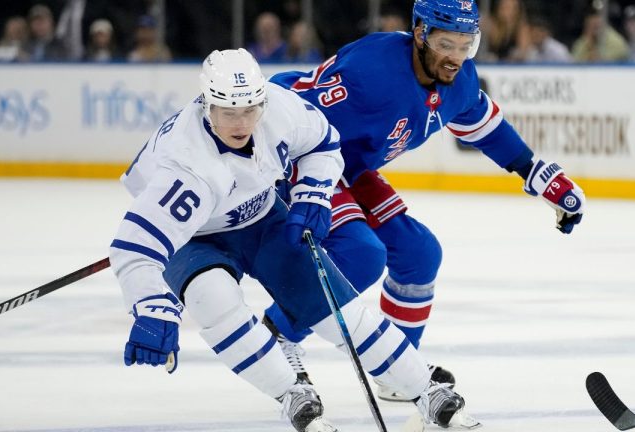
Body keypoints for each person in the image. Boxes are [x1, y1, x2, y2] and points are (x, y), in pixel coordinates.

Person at [109, 48, 471, 432]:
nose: (241, 122)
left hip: (261, 214)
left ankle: (424, 390)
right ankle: (289, 392)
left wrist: (313, 193)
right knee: (211, 297)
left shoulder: (279, 107)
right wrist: (151, 306)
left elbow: (324, 142)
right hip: (196, 235)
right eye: (228, 112)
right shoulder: (185, 166)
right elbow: (134, 250)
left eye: (250, 109)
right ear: (206, 104)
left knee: (337, 309)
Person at [266, 0, 586, 401]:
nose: (456, 57)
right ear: (420, 33)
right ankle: (277, 334)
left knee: (419, 254)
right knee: (361, 254)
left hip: (351, 165)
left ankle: (400, 366)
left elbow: (485, 127)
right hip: (305, 155)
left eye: (466, 44)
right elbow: (292, 108)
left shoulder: (461, 78)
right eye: (446, 44)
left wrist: (537, 174)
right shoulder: (371, 72)